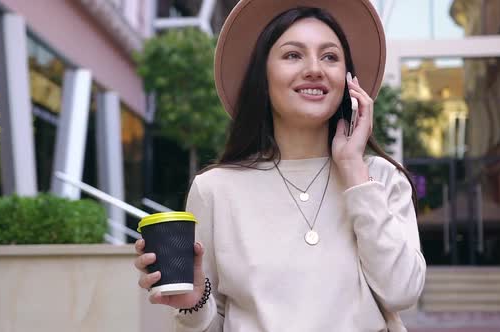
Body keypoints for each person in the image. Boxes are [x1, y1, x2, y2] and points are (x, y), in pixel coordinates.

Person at [134, 0, 426, 331]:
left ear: (348, 81)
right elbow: (212, 320)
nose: (315, 68)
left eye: (330, 56)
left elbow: (403, 292)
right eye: (293, 55)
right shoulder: (215, 189)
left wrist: (354, 171)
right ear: (263, 75)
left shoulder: (382, 179)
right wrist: (194, 302)